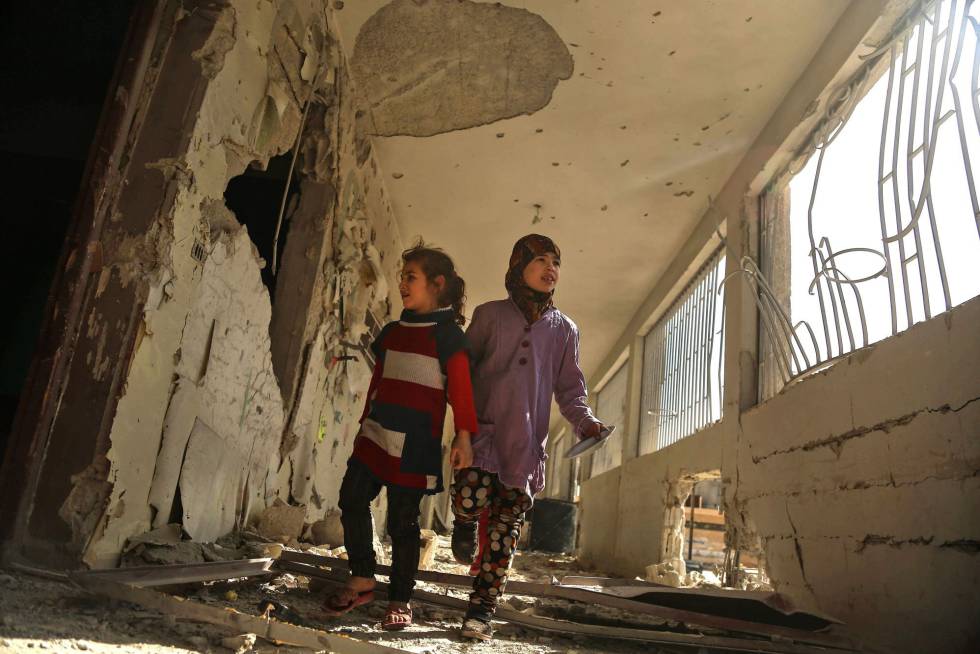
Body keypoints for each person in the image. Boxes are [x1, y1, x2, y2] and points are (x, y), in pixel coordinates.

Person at [448, 234, 604, 641]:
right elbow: (462, 372)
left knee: (503, 536)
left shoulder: (565, 330)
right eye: (541, 260)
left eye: (556, 261)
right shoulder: (488, 315)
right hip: (480, 436)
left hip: (524, 447)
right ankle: (463, 523)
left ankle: (480, 612)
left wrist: (585, 422)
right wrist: (460, 430)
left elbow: (570, 390)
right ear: (519, 266)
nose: (551, 268)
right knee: (468, 499)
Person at [324, 242, 477, 631]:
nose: (403, 285)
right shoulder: (392, 332)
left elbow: (461, 391)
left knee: (402, 524)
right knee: (352, 498)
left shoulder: (449, 338)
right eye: (402, 277)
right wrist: (363, 424)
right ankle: (362, 578)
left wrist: (463, 437)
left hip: (416, 443)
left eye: (411, 277)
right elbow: (377, 382)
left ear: (437, 284)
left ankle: (400, 599)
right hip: (376, 434)